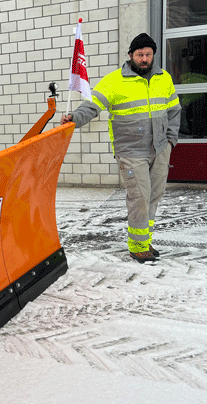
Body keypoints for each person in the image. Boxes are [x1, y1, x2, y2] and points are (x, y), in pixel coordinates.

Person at [61, 33, 181, 263]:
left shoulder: (163, 78)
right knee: (140, 197)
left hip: (159, 148)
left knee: (154, 197)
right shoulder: (114, 81)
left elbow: (174, 110)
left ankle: (144, 240)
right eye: (140, 54)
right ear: (130, 55)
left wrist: (170, 141)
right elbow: (92, 105)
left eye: (148, 54)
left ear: (153, 55)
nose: (144, 59)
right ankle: (137, 246)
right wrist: (74, 118)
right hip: (130, 151)